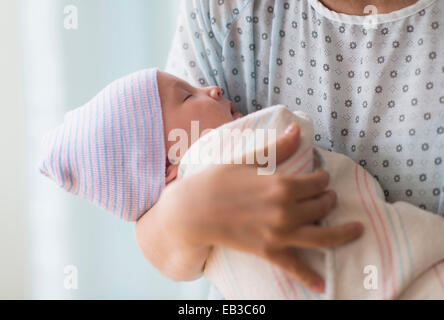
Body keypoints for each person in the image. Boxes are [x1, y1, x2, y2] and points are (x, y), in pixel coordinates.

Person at [138, 0, 444, 299]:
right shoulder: (221, 10)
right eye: (189, 97)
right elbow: (153, 224)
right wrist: (185, 213)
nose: (212, 91)